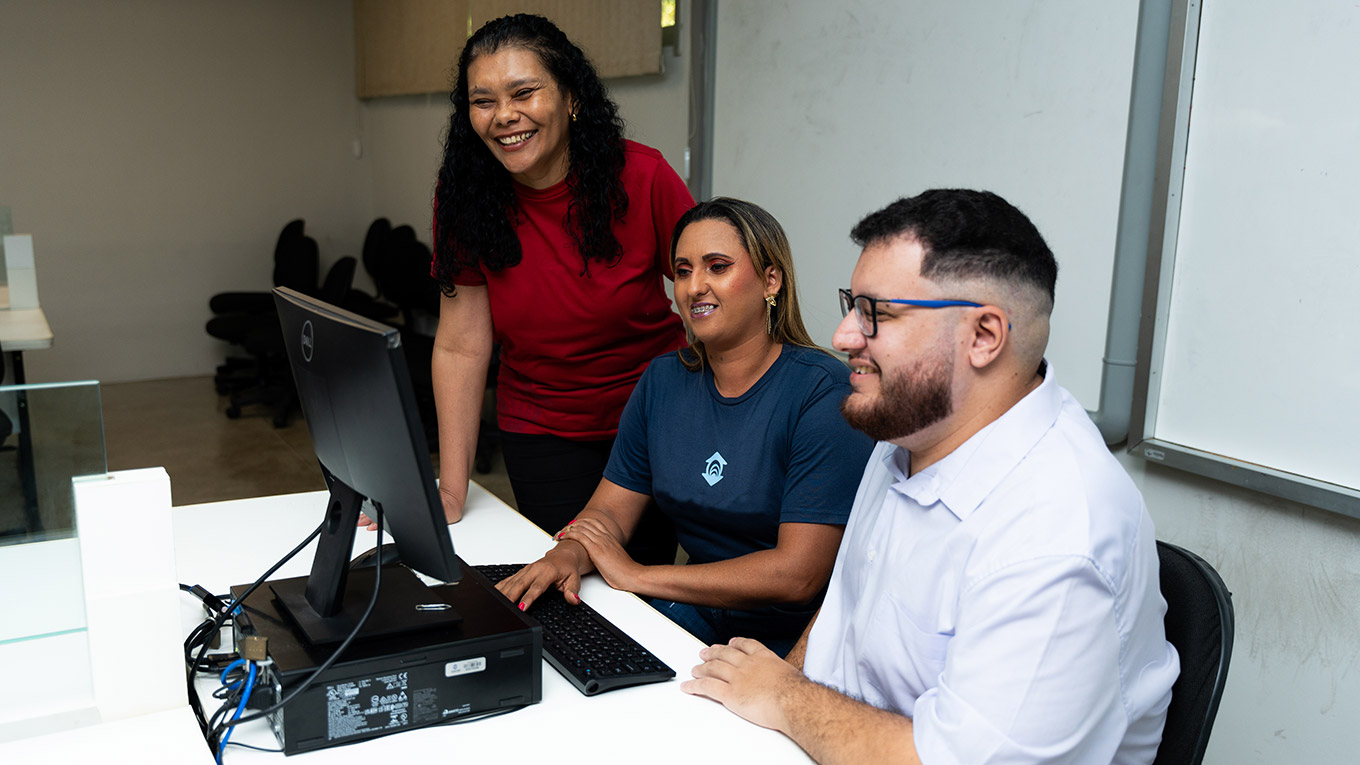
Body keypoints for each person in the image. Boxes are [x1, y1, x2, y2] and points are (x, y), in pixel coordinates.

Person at [682, 189, 1180, 764]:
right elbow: (843, 611)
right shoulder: (911, 433)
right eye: (851, 304)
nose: (844, 336)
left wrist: (784, 697)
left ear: (984, 337)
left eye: (878, 314)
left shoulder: (1059, 532)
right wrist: (761, 716)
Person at [495, 198, 875, 655]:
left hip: (790, 634)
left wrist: (638, 575)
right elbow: (609, 511)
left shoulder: (822, 392)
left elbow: (797, 575)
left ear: (771, 280)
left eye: (718, 267)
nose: (696, 286)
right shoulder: (662, 380)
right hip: (695, 605)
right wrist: (568, 554)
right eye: (682, 271)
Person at [406, 14, 693, 565]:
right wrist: (449, 486)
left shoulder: (643, 177)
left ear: (570, 98)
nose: (504, 116)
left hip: (653, 425)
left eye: (524, 92)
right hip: (542, 430)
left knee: (641, 590)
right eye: (483, 100)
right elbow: (462, 344)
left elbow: (710, 298)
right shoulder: (464, 195)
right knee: (564, 590)